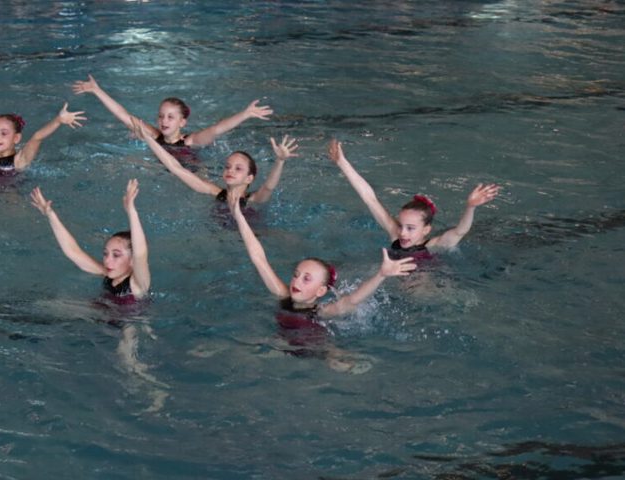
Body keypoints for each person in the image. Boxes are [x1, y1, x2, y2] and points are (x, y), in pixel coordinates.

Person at [227, 194, 416, 371]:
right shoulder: (282, 294)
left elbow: (352, 300)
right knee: (238, 349)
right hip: (280, 344)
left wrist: (381, 275)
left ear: (321, 291)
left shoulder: (322, 312)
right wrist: (239, 216)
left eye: (306, 279)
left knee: (344, 364)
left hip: (319, 351)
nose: (296, 281)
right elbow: (258, 258)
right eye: (296, 274)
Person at [31, 179, 165, 411]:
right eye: (105, 254)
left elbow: (142, 253)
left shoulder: (137, 284)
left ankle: (156, 393)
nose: (108, 260)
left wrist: (131, 211)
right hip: (101, 312)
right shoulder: (107, 273)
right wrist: (50, 214)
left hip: (129, 323)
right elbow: (73, 252)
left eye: (116, 255)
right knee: (44, 305)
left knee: (126, 362)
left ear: (131, 261)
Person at [328, 139, 501, 259]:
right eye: (402, 226)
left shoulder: (434, 246)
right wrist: (342, 163)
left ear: (426, 230)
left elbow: (460, 231)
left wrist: (470, 206)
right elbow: (369, 198)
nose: (402, 233)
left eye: (410, 228)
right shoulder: (395, 235)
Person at [72, 74, 272, 155]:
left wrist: (245, 114)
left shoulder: (190, 141)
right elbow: (123, 115)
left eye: (170, 117)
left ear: (182, 122)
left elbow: (217, 129)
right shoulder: (154, 135)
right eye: (161, 116)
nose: (163, 121)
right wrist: (97, 91)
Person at [130, 116, 297, 208]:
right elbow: (176, 168)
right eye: (228, 167)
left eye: (238, 168)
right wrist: (148, 140)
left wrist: (280, 161)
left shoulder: (254, 200)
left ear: (249, 178)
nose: (230, 170)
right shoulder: (214, 192)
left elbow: (268, 186)